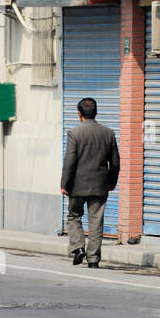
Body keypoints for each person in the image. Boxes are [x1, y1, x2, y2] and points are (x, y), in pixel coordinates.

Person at [61, 97, 120, 268]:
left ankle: (78, 248)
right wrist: (112, 181)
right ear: (96, 113)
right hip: (100, 185)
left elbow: (69, 161)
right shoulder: (108, 133)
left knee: (73, 216)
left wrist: (64, 184)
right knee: (96, 221)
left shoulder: (75, 133)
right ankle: (93, 260)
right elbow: (115, 162)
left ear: (79, 114)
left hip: (77, 185)